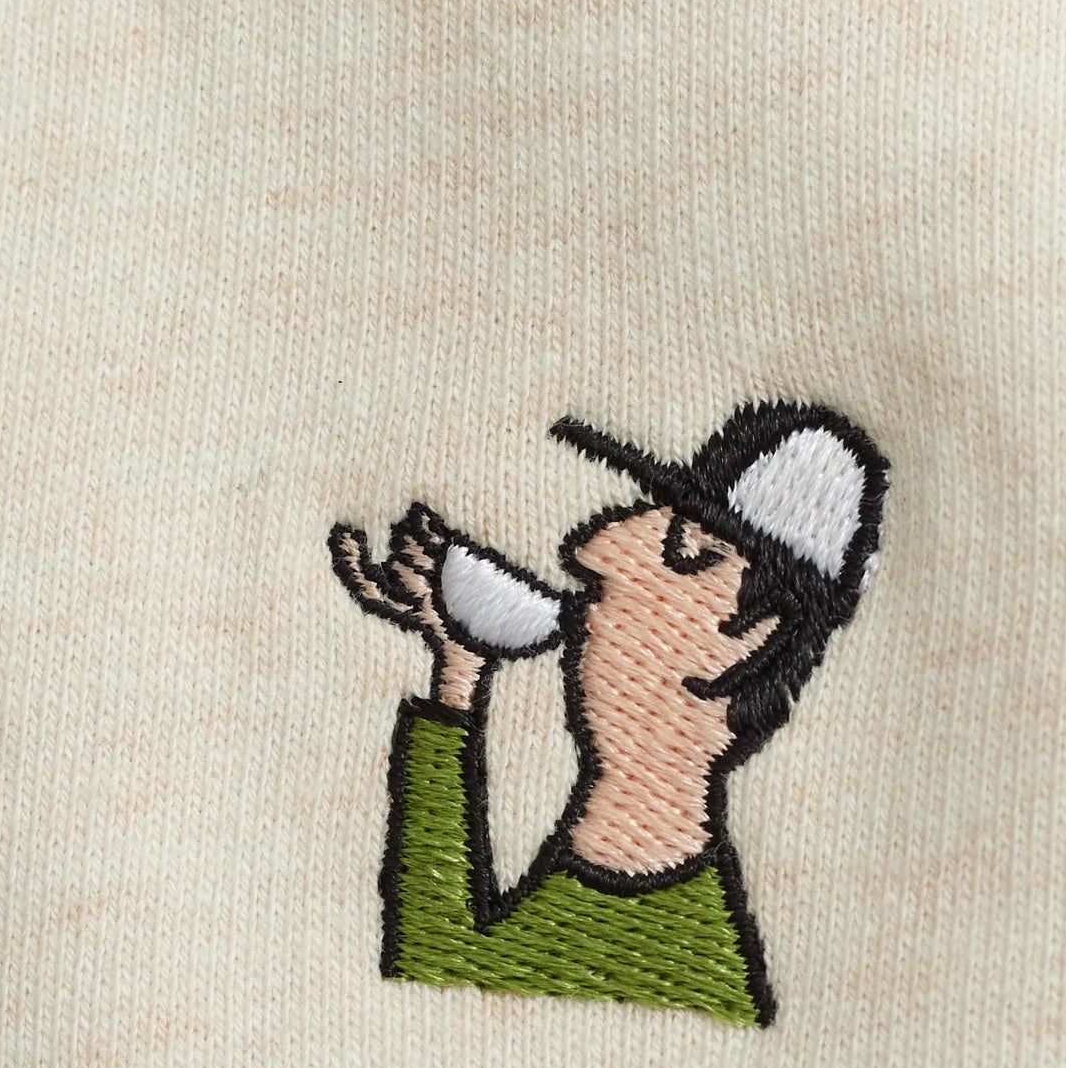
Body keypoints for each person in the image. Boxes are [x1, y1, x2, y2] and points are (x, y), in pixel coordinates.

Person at [330, 401, 888, 1026]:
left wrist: (457, 680)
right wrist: (460, 666)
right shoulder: (622, 882)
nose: (595, 548)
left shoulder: (684, 963)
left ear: (758, 636)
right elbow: (449, 957)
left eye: (685, 547)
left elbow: (443, 979)